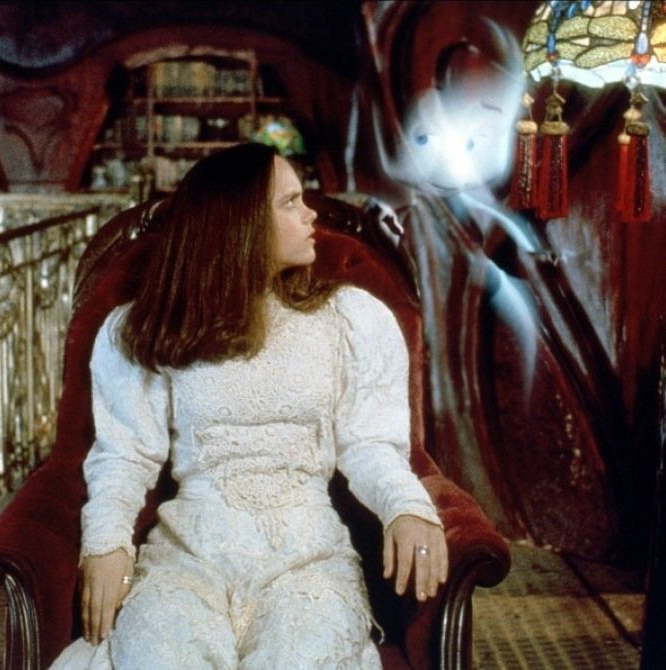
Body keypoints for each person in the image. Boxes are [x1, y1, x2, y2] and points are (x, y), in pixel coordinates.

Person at [50, 142, 447, 669]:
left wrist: (407, 506)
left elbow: (371, 444)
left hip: (307, 558)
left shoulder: (350, 319)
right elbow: (124, 455)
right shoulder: (146, 327)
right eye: (290, 202)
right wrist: (106, 544)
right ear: (242, 224)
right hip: (188, 556)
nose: (310, 215)